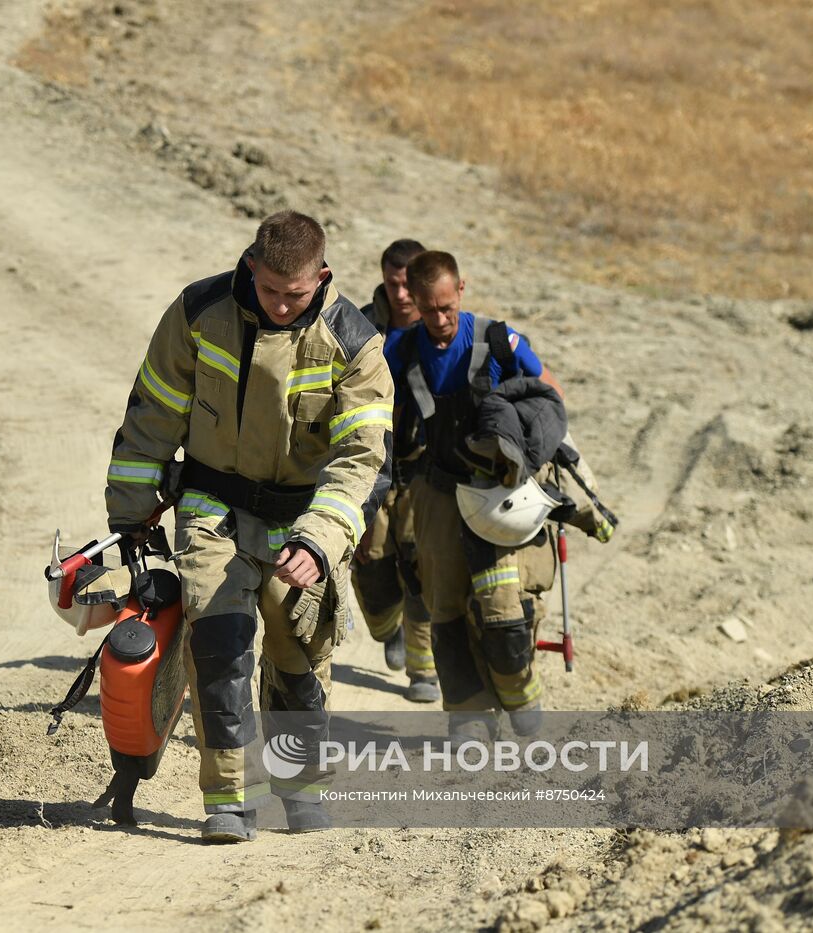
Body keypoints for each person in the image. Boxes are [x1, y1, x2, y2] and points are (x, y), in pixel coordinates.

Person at [105, 210, 393, 842]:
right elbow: (151, 416)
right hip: (213, 511)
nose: (283, 307)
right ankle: (229, 801)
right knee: (221, 646)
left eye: (298, 295)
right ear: (251, 265)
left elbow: (363, 460)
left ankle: (299, 787)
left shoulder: (356, 342)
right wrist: (129, 516)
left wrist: (319, 541)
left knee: (296, 654)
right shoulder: (197, 313)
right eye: (270, 291)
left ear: (323, 276)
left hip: (303, 524)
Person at [389, 250, 610, 739]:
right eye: (429, 310)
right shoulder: (401, 350)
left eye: (447, 307)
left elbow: (550, 395)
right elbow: (381, 414)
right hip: (439, 489)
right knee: (444, 605)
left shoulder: (498, 339)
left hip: (502, 493)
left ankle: (519, 693)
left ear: (461, 290)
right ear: (414, 303)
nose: (440, 320)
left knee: (503, 608)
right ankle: (466, 714)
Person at [352, 239, 438, 702]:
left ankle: (424, 673)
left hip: (425, 471)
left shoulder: (442, 326)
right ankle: (389, 631)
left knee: (423, 569)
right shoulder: (359, 324)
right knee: (370, 567)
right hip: (370, 468)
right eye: (393, 283)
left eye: (410, 284)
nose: (402, 294)